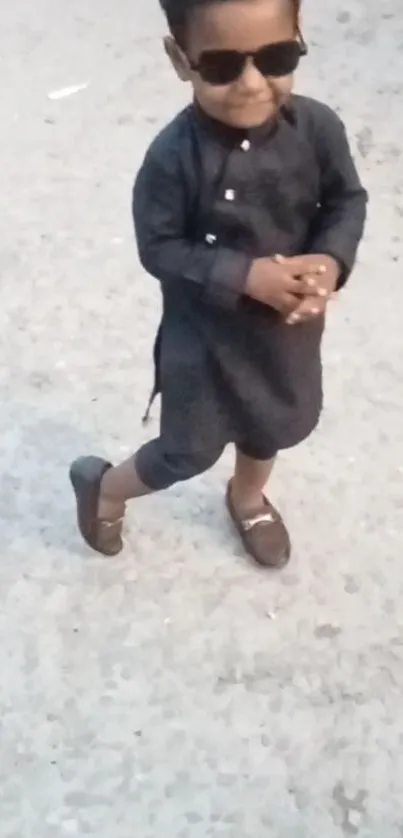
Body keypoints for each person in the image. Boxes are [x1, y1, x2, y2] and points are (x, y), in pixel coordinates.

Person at [69, 0, 367, 568]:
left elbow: (346, 201)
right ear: (180, 60)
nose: (252, 84)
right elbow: (159, 247)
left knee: (274, 423)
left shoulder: (318, 128)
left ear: (299, 38)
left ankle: (248, 497)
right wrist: (242, 274)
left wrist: (330, 260)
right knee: (186, 450)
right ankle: (105, 488)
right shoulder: (171, 159)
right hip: (204, 339)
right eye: (223, 66)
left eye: (277, 57)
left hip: (286, 334)